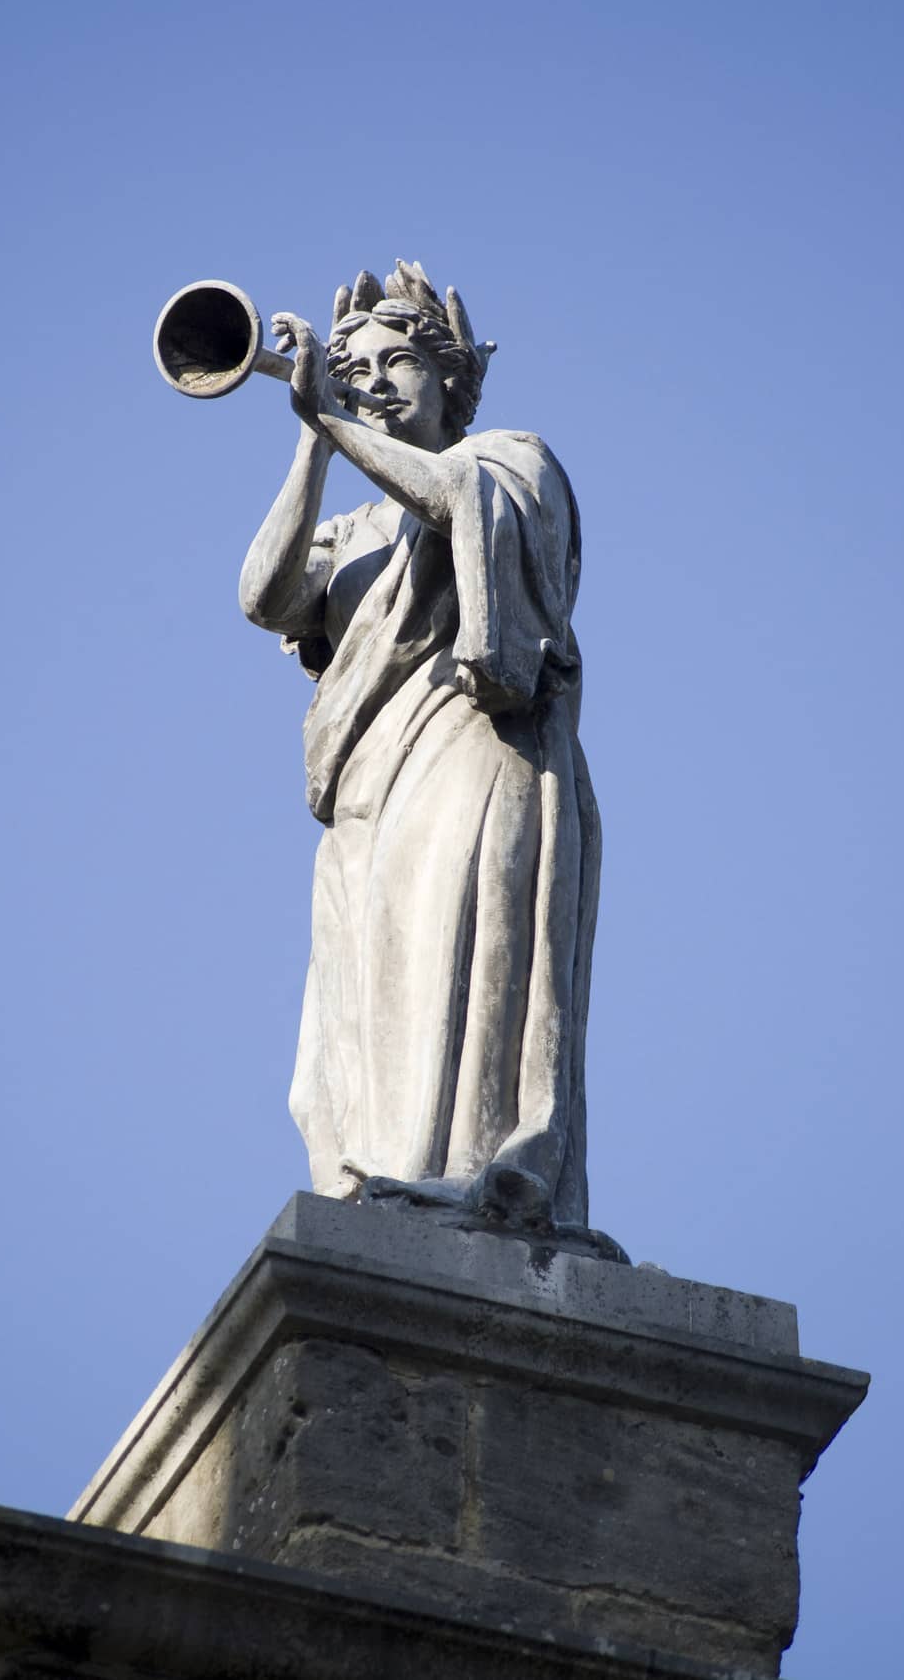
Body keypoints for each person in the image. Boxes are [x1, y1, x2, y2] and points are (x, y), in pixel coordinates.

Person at [239, 262, 599, 1229]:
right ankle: (380, 1179)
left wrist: (336, 421)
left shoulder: (510, 459)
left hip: (470, 749)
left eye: (400, 361)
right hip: (365, 792)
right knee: (359, 1015)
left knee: (455, 956)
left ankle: (471, 1176)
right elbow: (265, 597)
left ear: (453, 383)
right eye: (357, 367)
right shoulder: (352, 527)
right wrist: (312, 442)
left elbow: (455, 499)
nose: (376, 380)